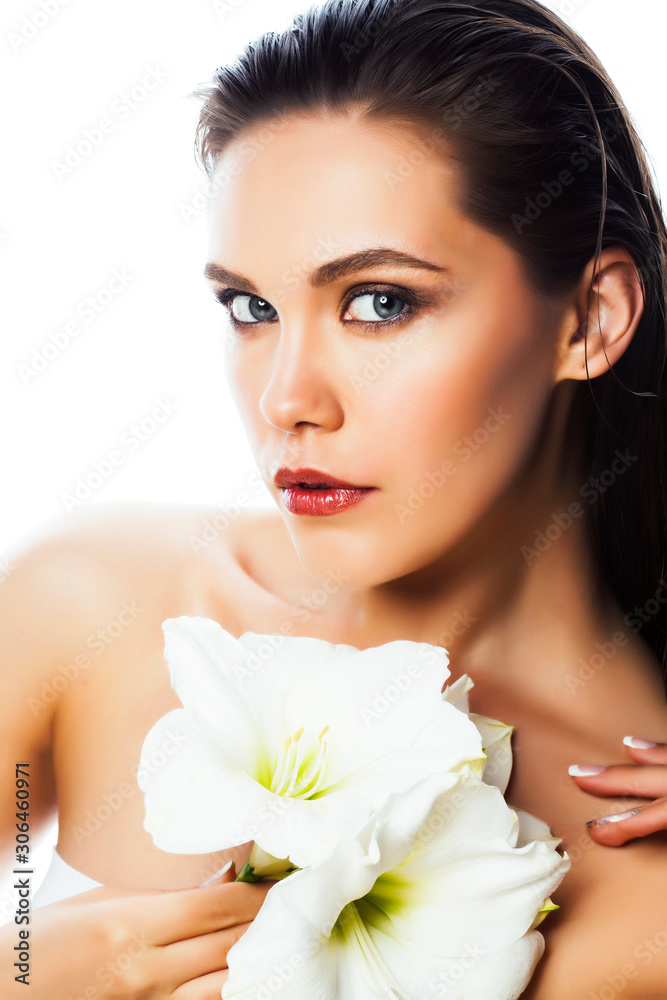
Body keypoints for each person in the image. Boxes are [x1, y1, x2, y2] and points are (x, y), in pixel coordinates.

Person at [2, 0, 667, 996]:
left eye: (380, 302)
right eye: (251, 308)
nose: (286, 400)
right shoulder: (95, 602)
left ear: (588, 318)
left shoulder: (641, 880)